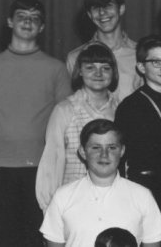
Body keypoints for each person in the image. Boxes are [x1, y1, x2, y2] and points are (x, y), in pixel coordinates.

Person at [0, 0, 72, 247]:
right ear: (9, 22)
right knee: (5, 237)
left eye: (34, 18)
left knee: (39, 236)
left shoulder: (56, 68)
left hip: (41, 168)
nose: (28, 22)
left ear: (42, 27)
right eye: (22, 17)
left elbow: (64, 122)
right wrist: (3, 149)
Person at [40, 119, 161, 247]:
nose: (104, 155)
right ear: (83, 152)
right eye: (96, 147)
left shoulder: (142, 196)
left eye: (111, 148)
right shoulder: (63, 196)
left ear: (121, 151)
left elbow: (152, 242)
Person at [114, 35, 161, 228]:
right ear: (141, 67)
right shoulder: (129, 107)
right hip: (143, 188)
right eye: (156, 62)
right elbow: (120, 159)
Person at [36, 43, 119, 211]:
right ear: (79, 71)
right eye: (90, 68)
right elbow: (52, 160)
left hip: (113, 200)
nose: (98, 74)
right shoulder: (65, 110)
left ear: (113, 72)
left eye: (105, 68)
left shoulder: (122, 110)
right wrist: (49, 209)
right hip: (73, 201)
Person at [66, 0, 142, 102]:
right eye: (96, 8)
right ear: (90, 15)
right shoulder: (75, 57)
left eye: (108, 5)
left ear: (121, 9)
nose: (102, 13)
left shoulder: (140, 54)